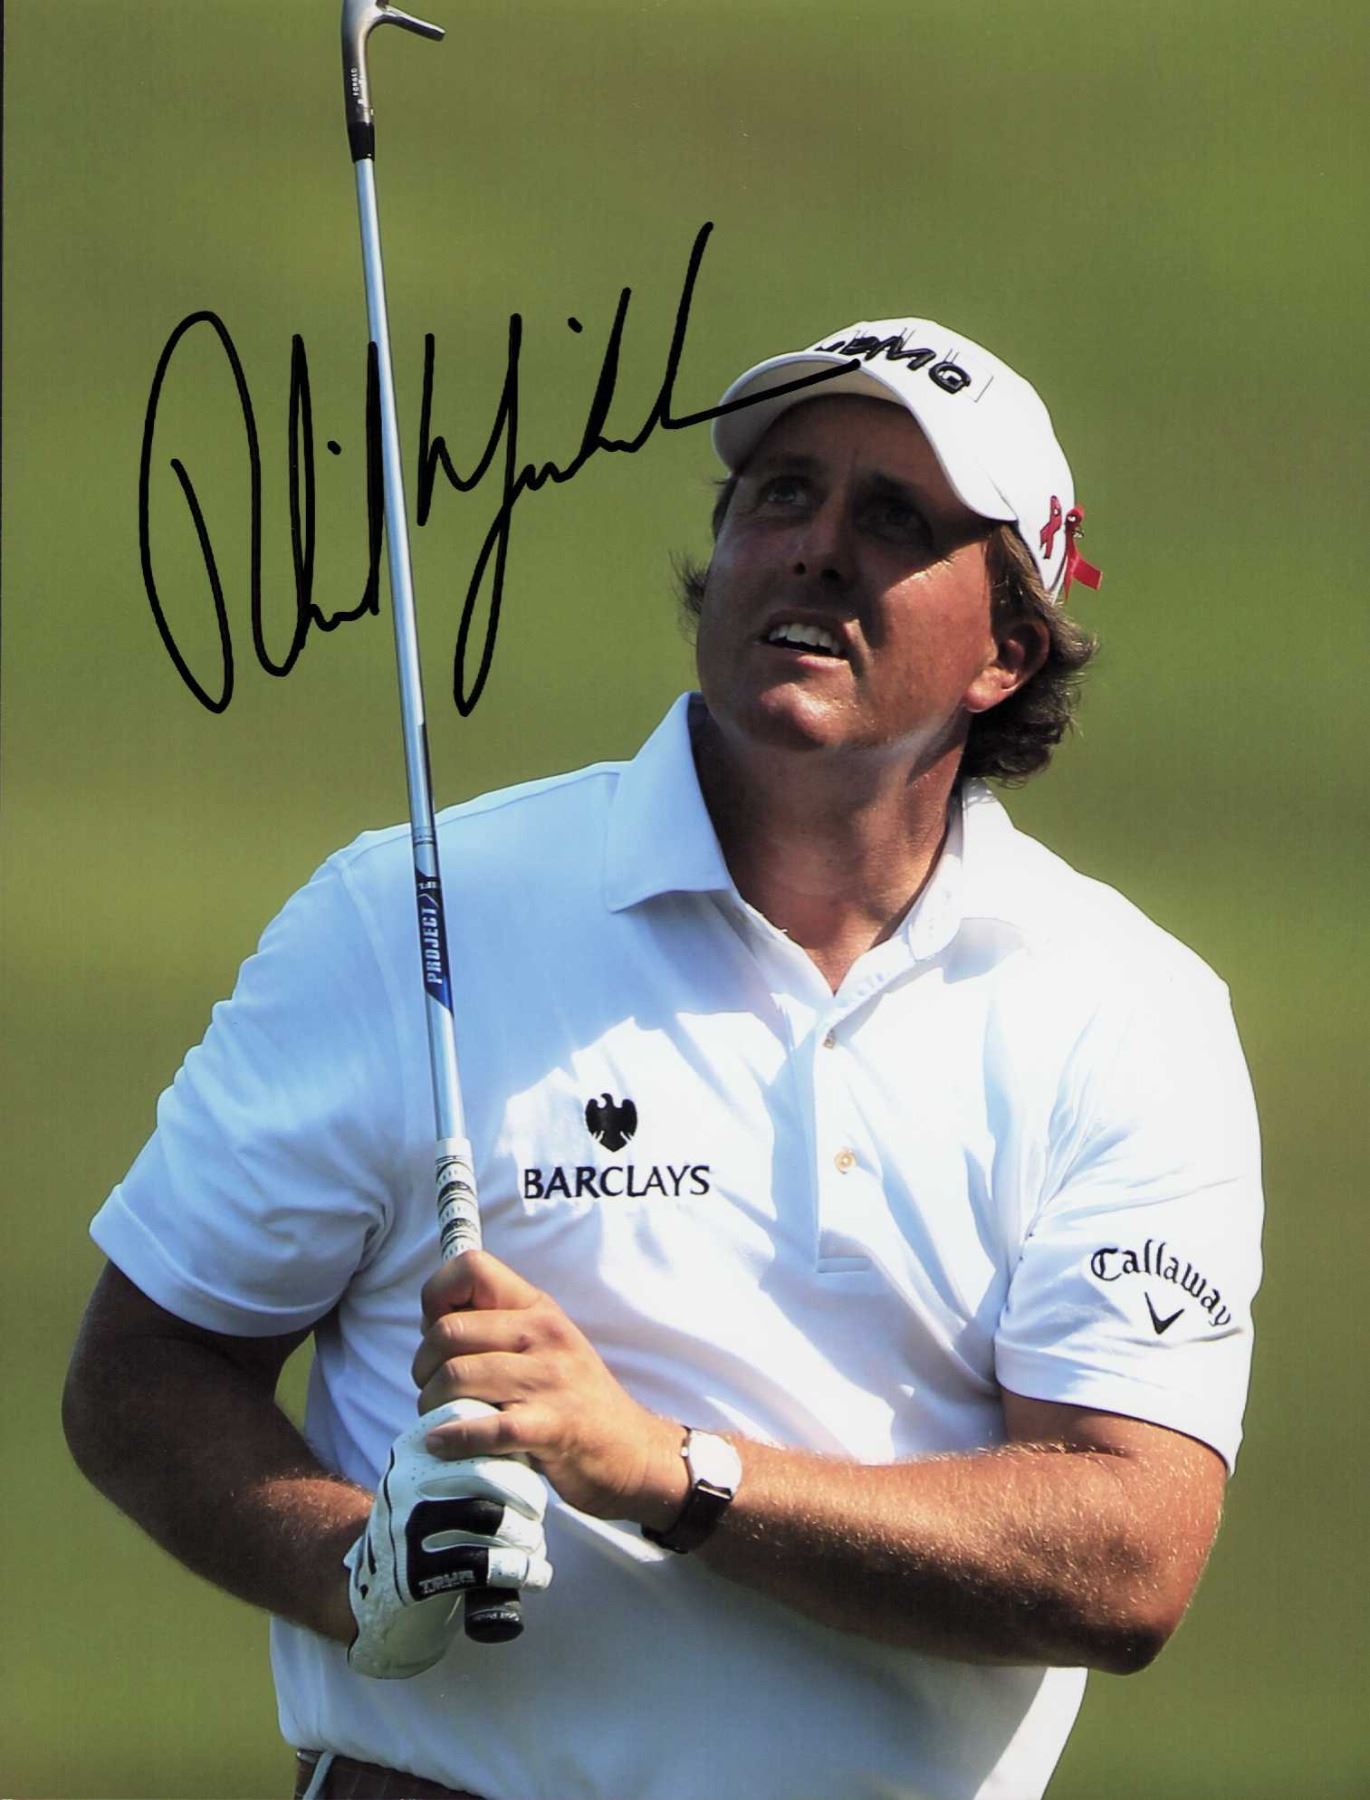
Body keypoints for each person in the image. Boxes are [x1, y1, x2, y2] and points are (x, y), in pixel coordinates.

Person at [64, 316, 1263, 1800]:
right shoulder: (417, 911)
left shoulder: (1128, 1010)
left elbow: (1127, 1555)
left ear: (1006, 650)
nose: (815, 547)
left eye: (895, 519)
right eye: (781, 494)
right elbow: (144, 1371)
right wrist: (352, 1565)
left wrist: (671, 1472)